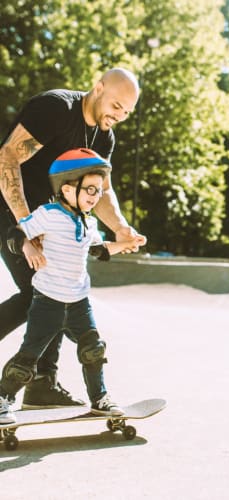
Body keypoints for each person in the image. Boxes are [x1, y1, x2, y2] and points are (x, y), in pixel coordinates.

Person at [0, 68, 146, 409]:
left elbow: (102, 190)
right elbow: (7, 157)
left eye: (127, 112)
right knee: (45, 294)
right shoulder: (56, 109)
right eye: (116, 105)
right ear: (97, 88)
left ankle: (42, 385)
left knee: (51, 292)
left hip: (51, 224)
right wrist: (26, 225)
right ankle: (39, 382)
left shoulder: (104, 138)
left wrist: (121, 228)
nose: (119, 116)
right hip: (10, 211)